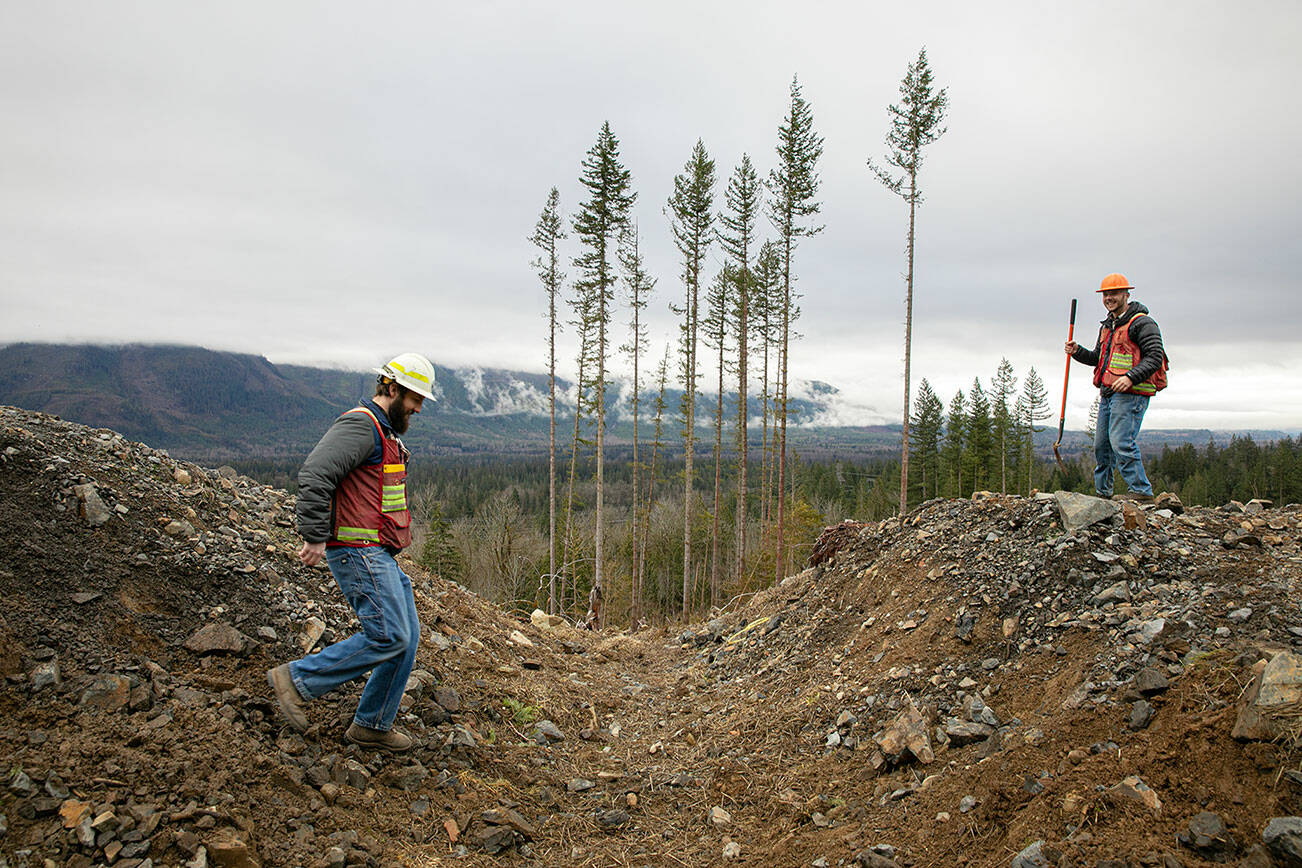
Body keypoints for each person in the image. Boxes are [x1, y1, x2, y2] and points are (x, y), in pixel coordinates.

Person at [267, 352, 437, 751]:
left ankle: (373, 725)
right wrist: (313, 536)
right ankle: (296, 680)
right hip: (357, 552)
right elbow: (315, 473)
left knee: (406, 637)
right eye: (414, 399)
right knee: (390, 635)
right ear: (391, 389)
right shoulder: (360, 426)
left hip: (377, 552)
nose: (417, 408)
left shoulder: (383, 430)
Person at [1065, 273, 1167, 503]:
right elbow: (1098, 358)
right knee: (1101, 447)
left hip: (1131, 394)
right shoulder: (1108, 326)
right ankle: (1103, 496)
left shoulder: (1142, 323)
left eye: (1114, 293)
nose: (1109, 298)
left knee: (1121, 442)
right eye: (1106, 294)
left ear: (1126, 295)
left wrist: (1130, 377)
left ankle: (1141, 491)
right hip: (1109, 393)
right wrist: (1078, 351)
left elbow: (1155, 357)